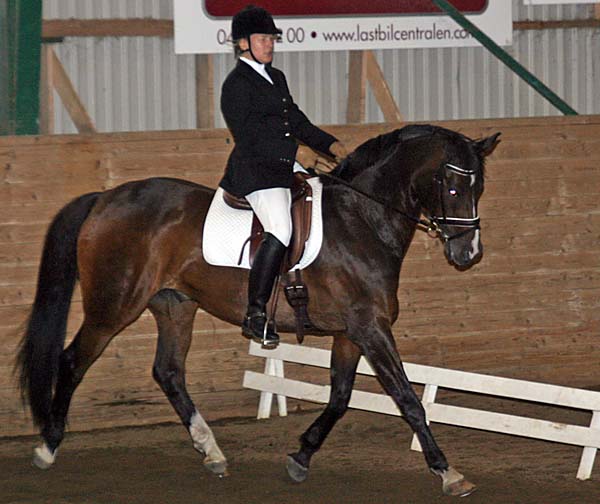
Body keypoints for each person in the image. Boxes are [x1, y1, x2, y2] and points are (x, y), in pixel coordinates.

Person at [219, 4, 348, 348]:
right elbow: (249, 136)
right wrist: (297, 154)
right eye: (262, 39)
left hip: (286, 164)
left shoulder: (276, 78)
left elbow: (298, 122)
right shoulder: (236, 85)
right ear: (243, 43)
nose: (269, 45)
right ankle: (256, 313)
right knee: (280, 228)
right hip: (257, 171)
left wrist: (332, 145)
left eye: (271, 39)